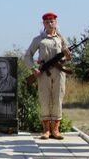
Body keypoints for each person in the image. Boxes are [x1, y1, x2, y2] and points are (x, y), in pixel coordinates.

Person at [24, 12, 70, 140]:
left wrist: (67, 55)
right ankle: (46, 130)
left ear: (56, 22)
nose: (50, 24)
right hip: (43, 73)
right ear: (43, 23)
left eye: (52, 21)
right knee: (44, 100)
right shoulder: (39, 39)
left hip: (59, 72)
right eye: (47, 21)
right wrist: (33, 69)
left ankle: (56, 130)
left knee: (57, 100)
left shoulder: (61, 38)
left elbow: (67, 57)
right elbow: (28, 55)